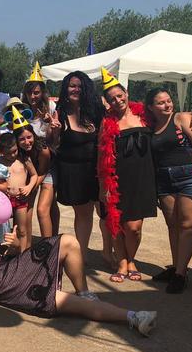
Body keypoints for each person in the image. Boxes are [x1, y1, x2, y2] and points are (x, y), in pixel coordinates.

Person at [0, 206, 158, 336]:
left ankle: (85, 292)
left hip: (16, 267)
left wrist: (15, 245)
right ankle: (134, 317)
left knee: (68, 241)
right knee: (69, 303)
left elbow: (13, 253)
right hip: (11, 290)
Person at [145, 87, 192, 293]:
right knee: (173, 225)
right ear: (151, 107)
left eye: (169, 100)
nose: (167, 105)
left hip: (189, 176)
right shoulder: (151, 126)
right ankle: (175, 268)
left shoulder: (182, 119)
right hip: (164, 179)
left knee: (188, 225)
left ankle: (181, 274)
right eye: (161, 102)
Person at [98, 68, 157, 283]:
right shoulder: (107, 123)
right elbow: (101, 156)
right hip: (117, 179)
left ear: (126, 93)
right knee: (117, 224)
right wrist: (103, 186)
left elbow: (169, 118)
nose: (117, 101)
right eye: (112, 99)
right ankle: (123, 262)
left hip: (143, 177)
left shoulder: (145, 115)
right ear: (108, 103)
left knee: (134, 227)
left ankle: (131, 258)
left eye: (119, 95)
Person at [50, 71, 107, 260]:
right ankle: (81, 255)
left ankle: (108, 252)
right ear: (66, 88)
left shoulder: (96, 111)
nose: (76, 90)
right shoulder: (60, 113)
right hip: (73, 172)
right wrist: (55, 131)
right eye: (72, 86)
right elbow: (54, 145)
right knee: (83, 214)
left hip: (97, 170)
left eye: (80, 86)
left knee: (104, 212)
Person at [15, 123, 58, 238]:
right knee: (26, 208)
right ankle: (27, 244)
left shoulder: (43, 150)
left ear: (34, 135)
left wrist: (30, 188)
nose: (27, 142)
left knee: (42, 210)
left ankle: (48, 244)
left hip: (47, 171)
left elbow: (42, 173)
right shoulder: (17, 151)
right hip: (32, 172)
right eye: (22, 139)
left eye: (29, 137)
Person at [0, 131, 37, 252]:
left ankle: (22, 254)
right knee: (3, 229)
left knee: (22, 230)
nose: (12, 155)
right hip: (4, 200)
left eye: (15, 151)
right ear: (1, 152)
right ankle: (4, 252)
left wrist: (29, 187)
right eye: (8, 153)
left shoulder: (24, 159)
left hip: (20, 200)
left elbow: (34, 175)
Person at [21, 63, 59, 140]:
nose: (32, 96)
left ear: (42, 93)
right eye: (29, 93)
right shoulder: (22, 109)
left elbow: (57, 135)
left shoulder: (51, 106)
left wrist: (48, 122)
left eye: (36, 93)